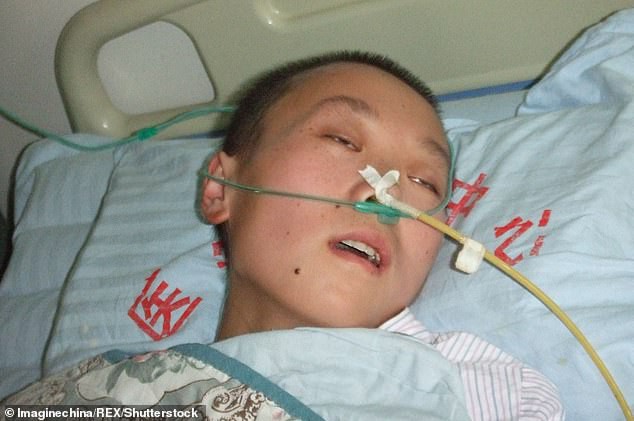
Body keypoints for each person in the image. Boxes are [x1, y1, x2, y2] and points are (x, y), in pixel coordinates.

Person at [199, 51, 565, 420]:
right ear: (220, 189)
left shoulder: (483, 393)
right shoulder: (164, 395)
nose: (386, 194)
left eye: (424, 182)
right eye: (341, 140)